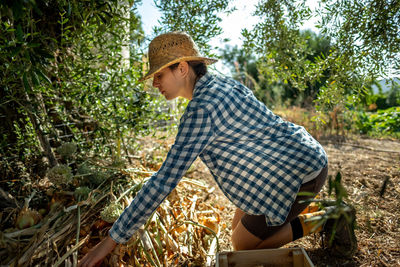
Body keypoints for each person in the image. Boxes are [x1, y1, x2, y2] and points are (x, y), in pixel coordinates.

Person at [78, 31, 357, 266]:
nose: (155, 83)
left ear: (182, 68)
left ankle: (329, 217)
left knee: (241, 247)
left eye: (160, 74)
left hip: (298, 172)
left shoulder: (201, 109)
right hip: (297, 156)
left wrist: (111, 240)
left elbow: (163, 181)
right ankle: (314, 210)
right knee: (237, 227)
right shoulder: (219, 82)